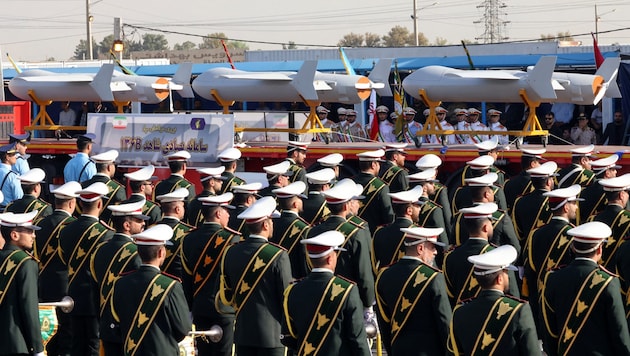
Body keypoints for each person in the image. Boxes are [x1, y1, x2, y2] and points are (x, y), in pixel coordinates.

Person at [217, 196, 292, 356]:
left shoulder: (231, 252)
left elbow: (227, 295)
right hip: (272, 336)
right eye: (271, 221)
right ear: (265, 224)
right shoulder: (278, 255)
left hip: (243, 335)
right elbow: (286, 299)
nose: (272, 225)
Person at [541, 222, 630, 355]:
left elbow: (549, 329)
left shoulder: (553, 278)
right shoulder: (608, 282)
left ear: (573, 248)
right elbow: (619, 332)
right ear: (599, 249)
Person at [282, 231, 371, 356]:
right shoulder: (347, 290)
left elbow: (288, 336)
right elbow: (357, 339)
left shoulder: (293, 290)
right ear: (330, 259)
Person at [108, 224, 192, 355]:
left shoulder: (120, 283)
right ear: (161, 252)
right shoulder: (171, 285)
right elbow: (183, 328)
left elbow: (116, 324)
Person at [447, 245, 540, 355]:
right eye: (506, 272)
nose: (508, 276)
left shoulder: (459, 312)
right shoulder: (519, 310)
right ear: (499, 279)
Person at [58, 182, 114, 356]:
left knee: (76, 345)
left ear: (80, 203)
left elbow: (63, 260)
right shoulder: (106, 233)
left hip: (72, 297)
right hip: (95, 299)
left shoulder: (65, 230)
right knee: (93, 346)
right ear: (100, 204)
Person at [375, 227, 451, 356]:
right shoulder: (434, 278)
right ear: (420, 248)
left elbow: (384, 323)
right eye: (432, 247)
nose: (435, 252)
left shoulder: (384, 276)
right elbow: (445, 323)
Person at [181, 192, 240, 356]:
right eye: (227, 211)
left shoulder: (187, 239)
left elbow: (186, 278)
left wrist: (191, 308)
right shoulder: (232, 239)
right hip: (224, 310)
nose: (229, 215)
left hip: (199, 308)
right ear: (218, 213)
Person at [308, 178, 375, 312]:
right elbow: (364, 274)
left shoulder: (313, 231)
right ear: (346, 206)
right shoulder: (356, 233)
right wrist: (368, 304)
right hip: (349, 298)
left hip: (318, 296)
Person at [523, 184, 580, 335]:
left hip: (542, 298)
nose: (576, 207)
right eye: (574, 203)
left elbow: (531, 271)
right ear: (566, 208)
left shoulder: (536, 234)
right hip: (565, 299)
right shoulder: (574, 235)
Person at [92, 200, 148, 354]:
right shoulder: (137, 252)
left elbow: (95, 288)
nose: (143, 223)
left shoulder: (100, 250)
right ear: (127, 225)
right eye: (139, 220)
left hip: (106, 322)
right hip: (128, 325)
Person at [443, 203, 520, 307]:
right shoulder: (499, 256)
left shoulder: (450, 257)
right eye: (491, 223)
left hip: (461, 316)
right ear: (485, 227)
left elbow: (450, 295)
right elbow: (512, 295)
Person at [35, 181, 81, 356]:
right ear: (71, 203)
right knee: (67, 331)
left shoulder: (40, 224)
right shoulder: (74, 226)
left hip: (44, 282)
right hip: (67, 285)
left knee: (48, 328)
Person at [0, 211, 45, 356]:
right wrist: (38, 348)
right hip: (17, 344)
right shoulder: (25, 263)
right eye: (29, 231)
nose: (34, 235)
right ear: (14, 235)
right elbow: (29, 308)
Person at [371, 186, 422, 274]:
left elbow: (374, 264)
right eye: (417, 206)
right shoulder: (418, 233)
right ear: (409, 211)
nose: (420, 209)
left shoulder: (379, 232)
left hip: (385, 281)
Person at [270, 181, 310, 279]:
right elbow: (304, 262)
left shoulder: (271, 223)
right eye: (300, 198)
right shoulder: (304, 228)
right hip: (294, 279)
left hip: (272, 276)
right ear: (295, 204)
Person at [511, 161, 556, 245]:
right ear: (548, 182)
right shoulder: (554, 202)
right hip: (548, 248)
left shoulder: (520, 201)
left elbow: (518, 233)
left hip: (527, 249)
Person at [352, 149, 394, 234]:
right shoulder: (381, 186)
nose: (379, 166)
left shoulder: (350, 182)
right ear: (373, 165)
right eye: (378, 163)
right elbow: (388, 217)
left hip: (351, 231)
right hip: (373, 234)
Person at [155, 188, 194, 279]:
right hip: (179, 281)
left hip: (155, 280)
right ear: (178, 209)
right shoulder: (188, 232)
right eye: (183, 206)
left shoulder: (152, 229)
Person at [81, 149, 126, 222]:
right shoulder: (118, 190)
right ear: (109, 167)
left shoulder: (84, 185)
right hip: (108, 231)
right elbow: (120, 218)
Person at [577, 154, 620, 223]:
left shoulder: (583, 190)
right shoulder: (608, 191)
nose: (616, 172)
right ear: (607, 173)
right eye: (613, 170)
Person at [503, 148, 545, 213]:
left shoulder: (508, 183)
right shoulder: (534, 183)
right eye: (539, 162)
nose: (540, 165)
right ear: (533, 164)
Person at [0, 142, 23, 207]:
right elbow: (19, 198)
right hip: (8, 212)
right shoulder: (13, 176)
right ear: (7, 157)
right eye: (13, 155)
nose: (15, 157)